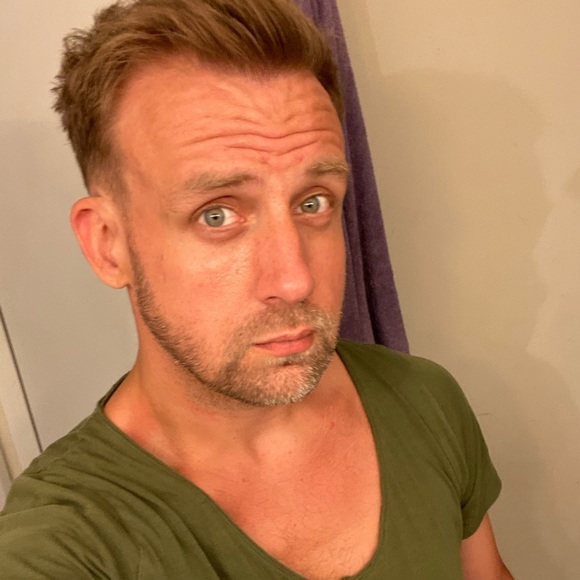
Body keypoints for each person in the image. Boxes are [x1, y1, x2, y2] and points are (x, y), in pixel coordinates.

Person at [0, 0, 513, 578]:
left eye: (312, 203)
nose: (295, 280)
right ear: (107, 244)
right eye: (217, 214)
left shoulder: (423, 398)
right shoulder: (63, 545)